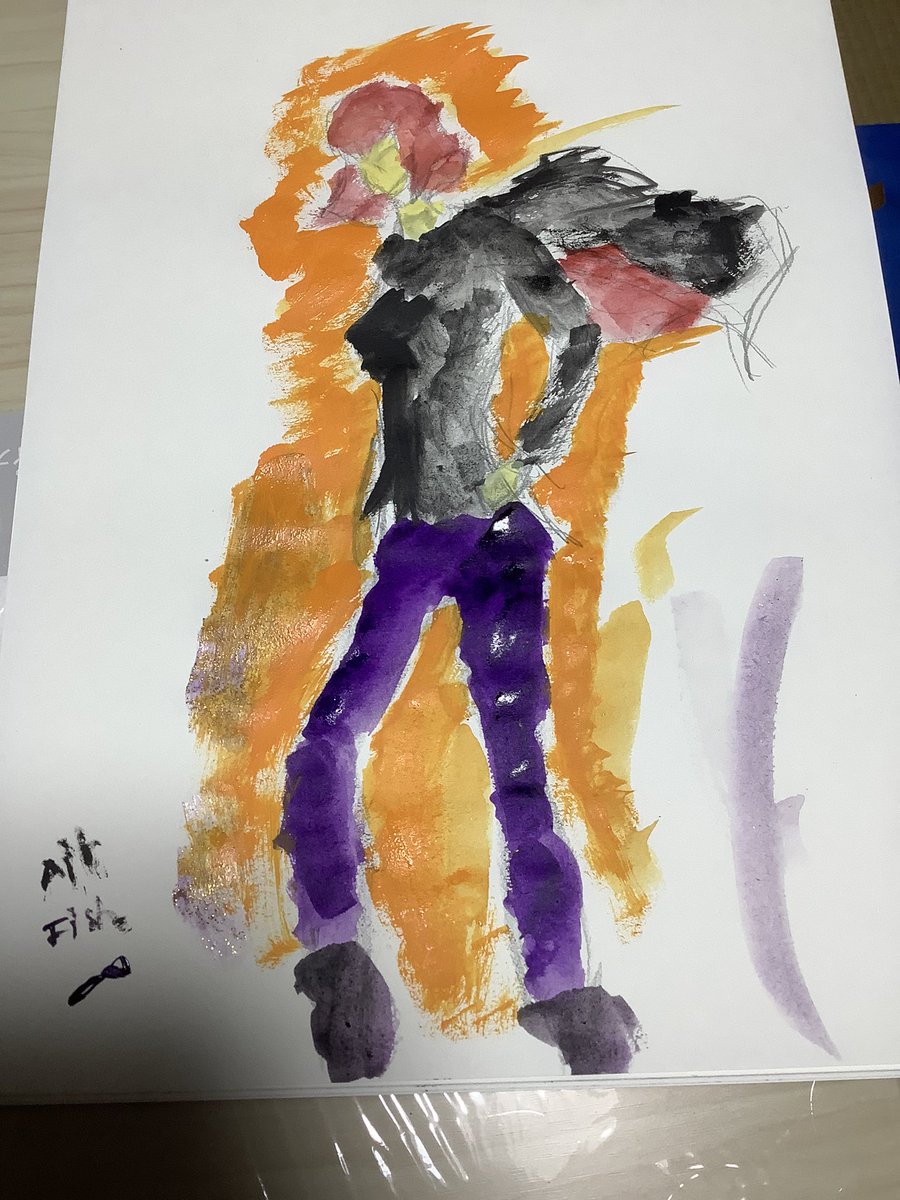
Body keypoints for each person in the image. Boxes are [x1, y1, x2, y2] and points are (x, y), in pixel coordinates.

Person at [274, 81, 764, 1081]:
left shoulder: (486, 241)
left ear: (423, 149)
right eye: (361, 157)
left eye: (384, 148)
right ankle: (544, 990)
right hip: (460, 530)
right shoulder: (431, 246)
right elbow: (426, 380)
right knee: (491, 762)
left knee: (357, 739)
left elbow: (575, 337)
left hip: (462, 531)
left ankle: (353, 956)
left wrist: (528, 456)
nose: (373, 169)